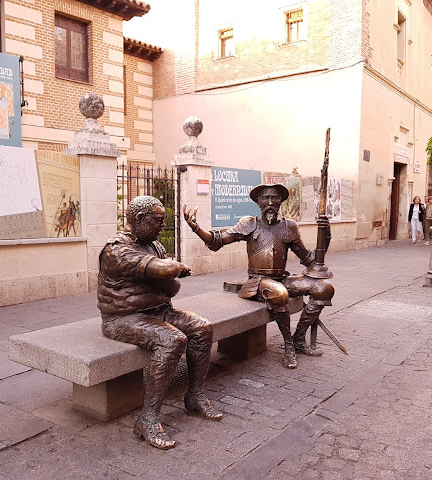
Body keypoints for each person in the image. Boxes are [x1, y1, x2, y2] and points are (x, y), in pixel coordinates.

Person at [98, 196, 222, 450]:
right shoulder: (116, 249)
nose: (162, 226)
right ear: (140, 219)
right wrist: (174, 268)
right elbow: (164, 272)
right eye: (158, 220)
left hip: (158, 312)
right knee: (172, 340)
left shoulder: (155, 247)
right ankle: (147, 420)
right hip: (123, 319)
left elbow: (172, 288)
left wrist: (168, 272)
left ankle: (195, 396)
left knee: (202, 328)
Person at [183, 184, 335, 370]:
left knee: (324, 288)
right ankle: (288, 346)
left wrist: (326, 235)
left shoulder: (289, 227)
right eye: (265, 198)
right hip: (257, 282)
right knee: (279, 293)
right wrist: (196, 228)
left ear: (281, 201)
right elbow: (217, 241)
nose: (270, 202)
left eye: (274, 198)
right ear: (258, 202)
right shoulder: (249, 224)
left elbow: (310, 260)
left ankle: (298, 338)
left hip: (281, 279)